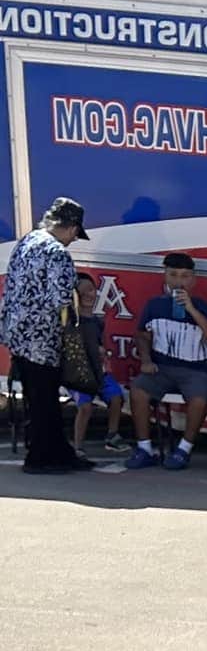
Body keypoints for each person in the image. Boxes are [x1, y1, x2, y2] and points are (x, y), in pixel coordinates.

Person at [0, 195, 90, 475]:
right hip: (43, 339)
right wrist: (73, 335)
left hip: (19, 335)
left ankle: (59, 452)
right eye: (76, 235)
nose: (73, 240)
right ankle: (40, 458)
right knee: (44, 400)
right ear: (72, 228)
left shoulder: (27, 241)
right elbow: (62, 300)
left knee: (37, 396)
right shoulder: (57, 252)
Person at [125, 252, 207, 471]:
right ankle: (144, 449)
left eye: (185, 276)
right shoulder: (154, 305)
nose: (179, 281)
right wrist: (146, 359)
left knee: (199, 398)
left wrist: (191, 309)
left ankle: (183, 450)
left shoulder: (205, 308)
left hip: (197, 369)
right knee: (138, 390)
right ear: (165, 277)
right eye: (174, 275)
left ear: (194, 280)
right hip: (163, 368)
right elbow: (142, 335)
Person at [67, 272, 129, 456]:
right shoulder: (69, 321)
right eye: (82, 291)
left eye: (91, 290)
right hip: (77, 373)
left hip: (99, 372)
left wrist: (102, 354)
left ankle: (112, 435)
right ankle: (78, 446)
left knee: (116, 397)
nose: (88, 294)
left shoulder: (97, 321)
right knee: (84, 407)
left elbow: (100, 345)